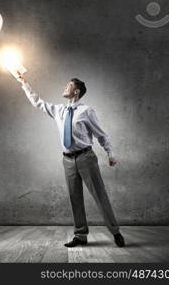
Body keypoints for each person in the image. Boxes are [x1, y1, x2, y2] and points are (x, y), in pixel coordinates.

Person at [17, 75, 125, 248]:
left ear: (76, 91)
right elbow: (38, 102)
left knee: (100, 195)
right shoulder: (59, 110)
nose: (65, 87)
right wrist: (24, 84)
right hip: (67, 160)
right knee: (74, 198)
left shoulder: (86, 111)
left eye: (68, 85)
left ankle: (115, 232)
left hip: (86, 158)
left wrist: (110, 153)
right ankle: (80, 235)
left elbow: (101, 134)